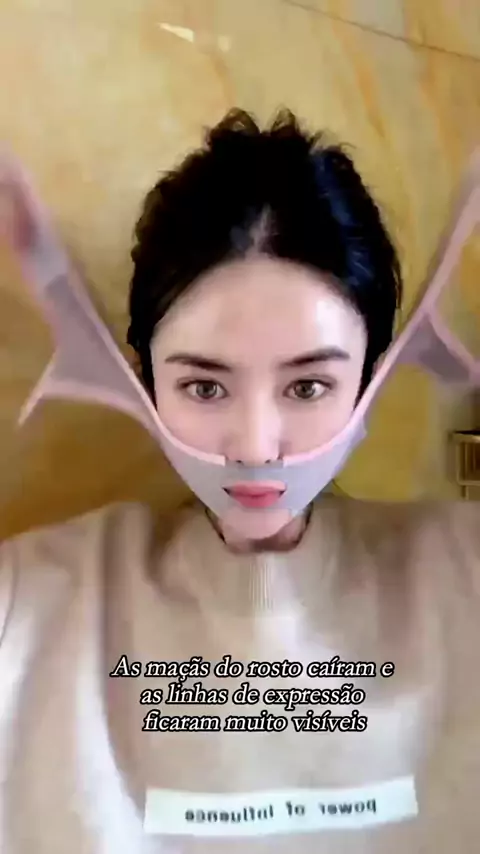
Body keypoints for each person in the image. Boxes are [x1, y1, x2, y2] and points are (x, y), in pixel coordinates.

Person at [0, 109, 478, 854]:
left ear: (372, 380)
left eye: (308, 386)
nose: (256, 447)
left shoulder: (464, 572)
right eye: (205, 387)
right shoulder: (27, 603)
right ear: (144, 381)